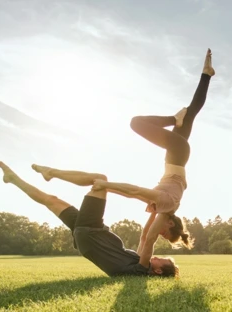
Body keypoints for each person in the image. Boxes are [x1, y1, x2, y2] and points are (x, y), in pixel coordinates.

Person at [88, 49, 215, 256]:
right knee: (136, 123)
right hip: (176, 152)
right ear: (171, 225)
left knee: (190, 113)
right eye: (166, 234)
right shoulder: (167, 204)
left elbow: (135, 205)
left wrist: (106, 189)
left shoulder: (162, 206)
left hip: (177, 154)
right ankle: (174, 119)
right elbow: (135, 191)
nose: (161, 234)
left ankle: (206, 74)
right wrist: (105, 185)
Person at [0, 159, 179, 278]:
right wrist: (154, 213)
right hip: (88, 238)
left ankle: (52, 173)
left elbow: (150, 241)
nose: (157, 256)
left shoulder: (142, 269)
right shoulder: (137, 264)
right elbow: (144, 238)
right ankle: (13, 179)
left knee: (100, 180)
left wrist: (163, 212)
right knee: (51, 201)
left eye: (162, 259)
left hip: (92, 232)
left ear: (158, 270)